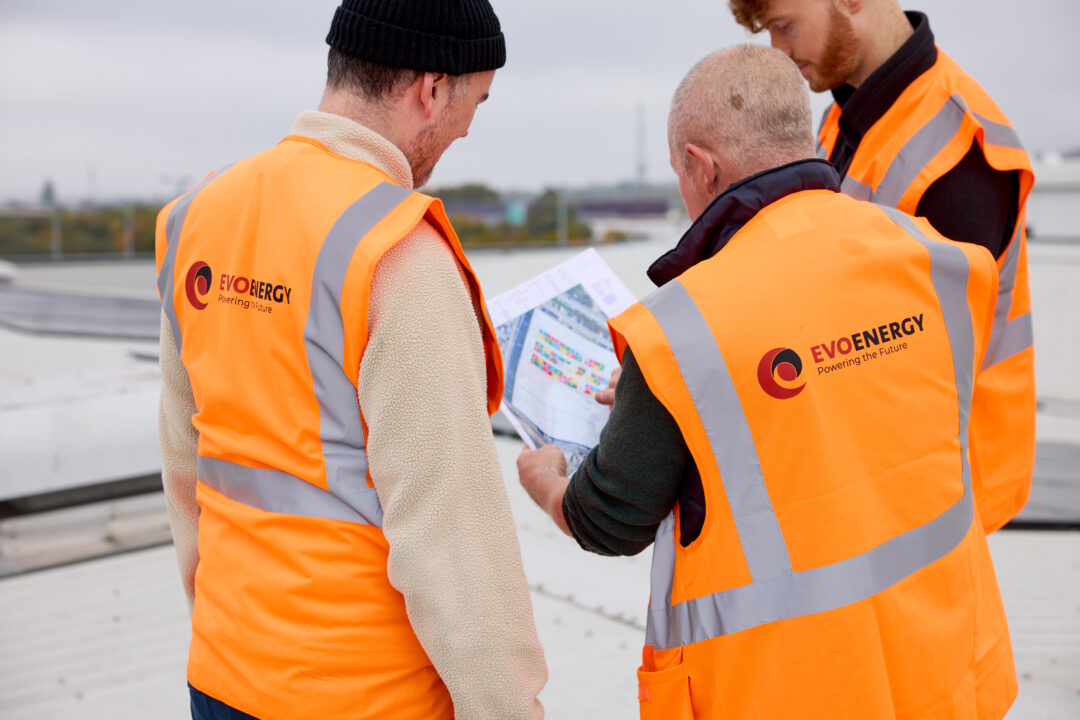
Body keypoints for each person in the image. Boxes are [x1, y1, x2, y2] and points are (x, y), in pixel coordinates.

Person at [518, 45, 1017, 719]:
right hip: (949, 672)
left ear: (700, 166)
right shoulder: (932, 257)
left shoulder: (681, 331)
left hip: (787, 692)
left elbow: (610, 517)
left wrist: (547, 480)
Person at [155, 2, 546, 718]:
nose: (464, 130)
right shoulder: (400, 256)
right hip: (363, 696)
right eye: (475, 102)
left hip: (222, 671)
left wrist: (225, 632)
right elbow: (450, 541)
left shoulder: (198, 216)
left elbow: (186, 464)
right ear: (432, 89)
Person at [727, 0, 1035, 532]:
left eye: (783, 27)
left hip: (937, 495)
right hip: (879, 475)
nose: (778, 52)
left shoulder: (958, 151)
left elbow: (904, 363)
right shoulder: (844, 118)